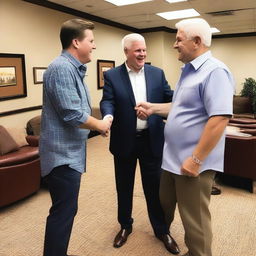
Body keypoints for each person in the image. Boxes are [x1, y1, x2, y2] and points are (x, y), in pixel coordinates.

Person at [136, 18, 235, 256]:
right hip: (171, 159)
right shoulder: (187, 70)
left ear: (197, 42)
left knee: (195, 221)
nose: (174, 44)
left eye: (178, 39)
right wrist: (153, 108)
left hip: (193, 163)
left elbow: (219, 118)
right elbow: (179, 108)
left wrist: (196, 159)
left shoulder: (216, 72)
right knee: (164, 205)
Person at [100, 33, 180, 254]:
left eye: (144, 50)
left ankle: (161, 230)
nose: (143, 54)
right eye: (137, 50)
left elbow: (169, 97)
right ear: (126, 52)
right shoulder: (113, 76)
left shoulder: (157, 73)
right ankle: (125, 225)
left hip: (152, 141)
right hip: (124, 142)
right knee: (123, 187)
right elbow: (108, 100)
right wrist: (107, 117)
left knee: (155, 189)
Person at [39, 19, 111, 256]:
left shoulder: (72, 69)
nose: (94, 46)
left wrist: (96, 126)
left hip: (69, 154)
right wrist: (99, 124)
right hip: (61, 157)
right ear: (76, 42)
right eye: (91, 41)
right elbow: (72, 113)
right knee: (63, 211)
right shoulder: (61, 67)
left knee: (67, 209)